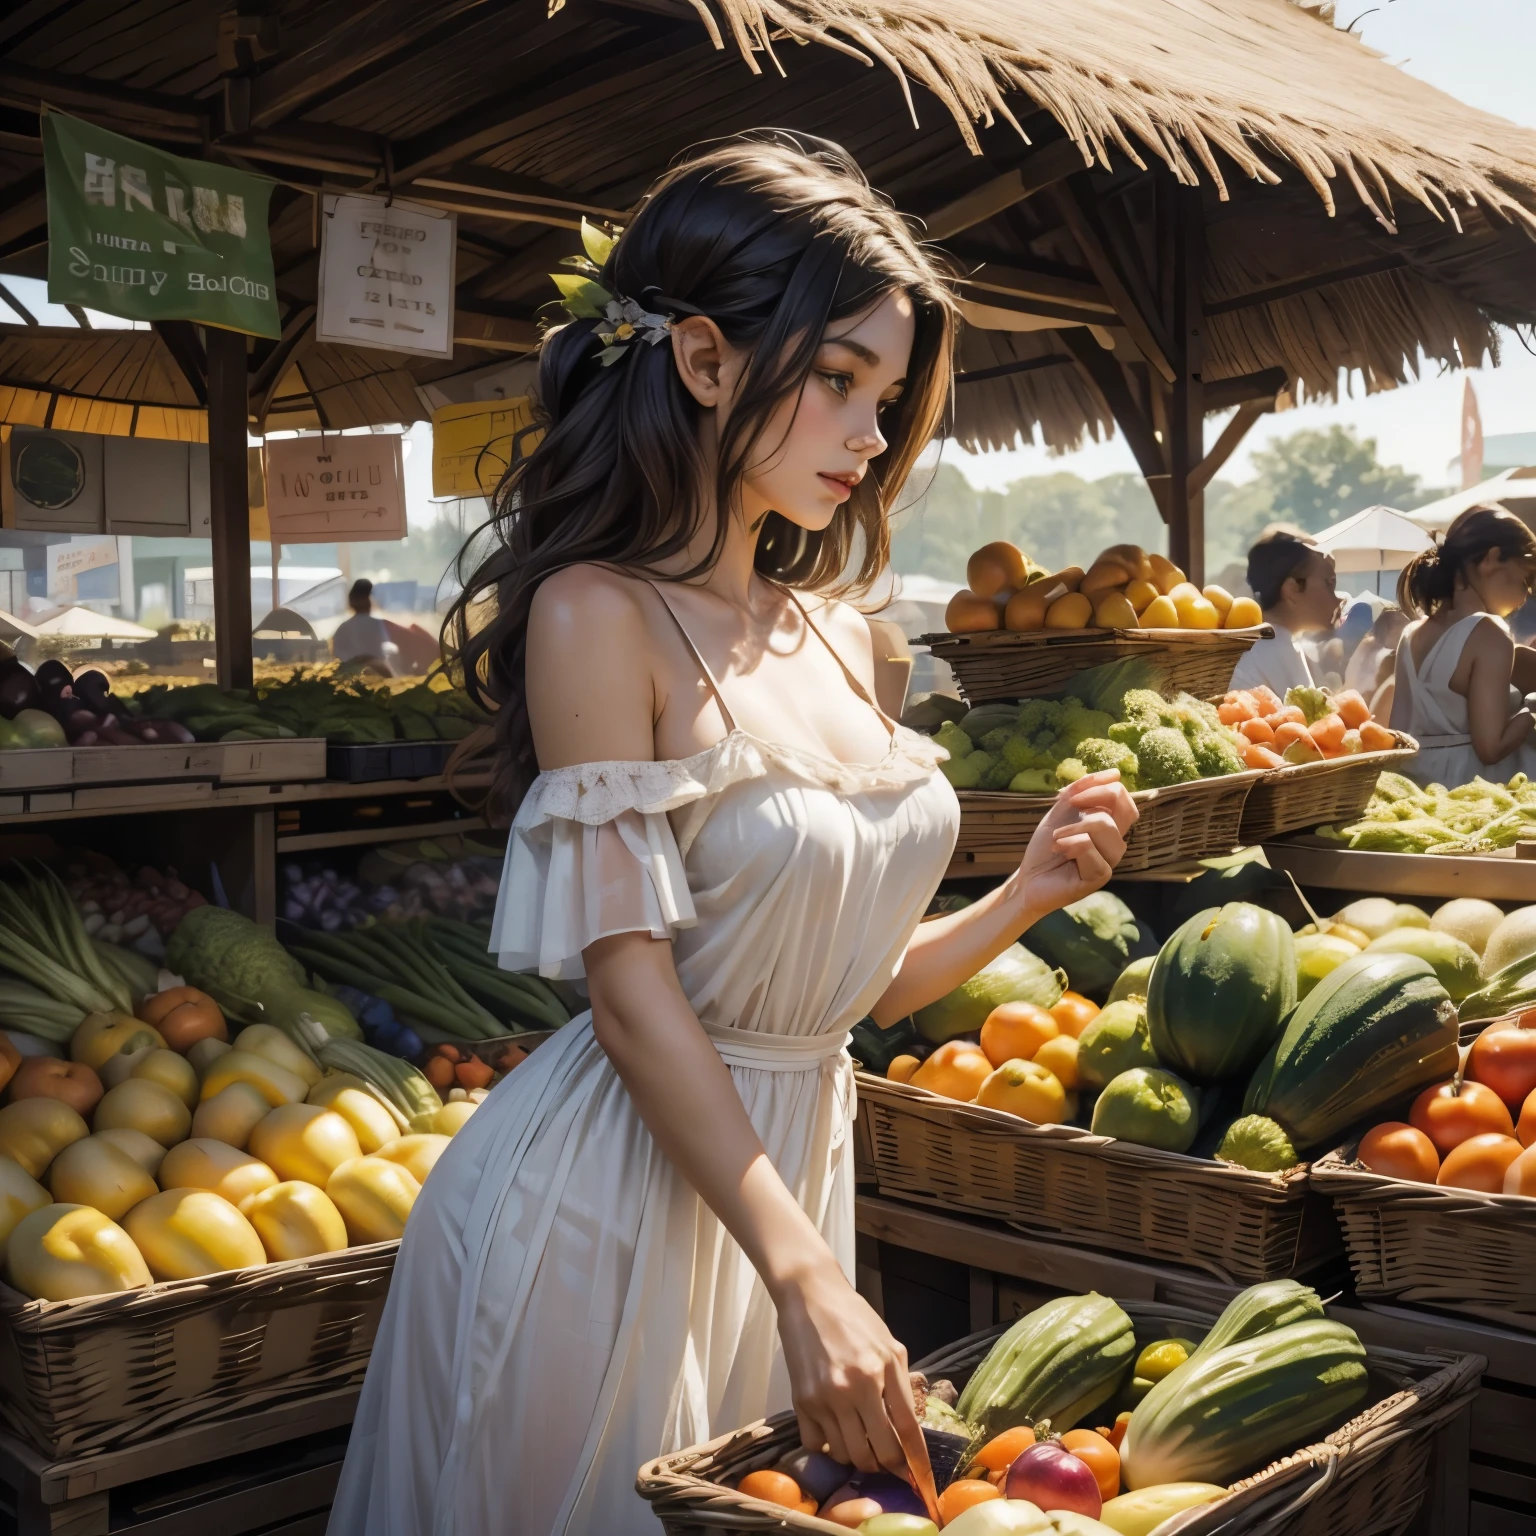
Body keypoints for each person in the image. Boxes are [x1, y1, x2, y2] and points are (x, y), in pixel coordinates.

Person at [326, 134, 1136, 1536]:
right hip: (599, 1208)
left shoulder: (858, 644)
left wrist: (1022, 893)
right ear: (702, 362)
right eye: (837, 380)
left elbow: (832, 995)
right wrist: (807, 1275)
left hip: (785, 1198)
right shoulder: (599, 616)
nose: (872, 435)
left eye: (886, 397)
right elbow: (633, 992)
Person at [1392, 505, 1536, 786]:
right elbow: (1491, 748)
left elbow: (1397, 734)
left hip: (1413, 783)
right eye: (1526, 577)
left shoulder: (1411, 634)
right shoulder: (1489, 631)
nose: (1527, 593)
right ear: (1492, 559)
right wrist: (1531, 708)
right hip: (1469, 790)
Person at [1228, 526, 1342, 698]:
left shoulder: (1272, 643)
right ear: (1292, 589)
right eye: (1329, 583)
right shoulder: (1263, 649)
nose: (1338, 599)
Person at [331, 578, 391, 670]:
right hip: (369, 673)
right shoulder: (378, 625)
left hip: (354, 673)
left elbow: (337, 655)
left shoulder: (344, 627)